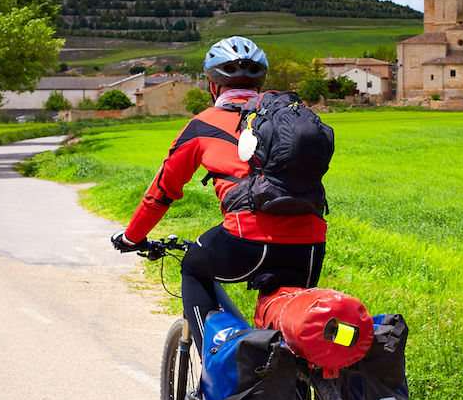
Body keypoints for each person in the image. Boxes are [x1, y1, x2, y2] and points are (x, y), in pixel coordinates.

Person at [111, 36, 326, 343]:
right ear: (259, 83)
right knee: (296, 337)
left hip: (245, 239)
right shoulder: (289, 119)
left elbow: (161, 192)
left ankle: (210, 373)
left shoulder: (202, 125)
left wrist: (132, 237)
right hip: (310, 242)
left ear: (212, 85)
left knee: (193, 267)